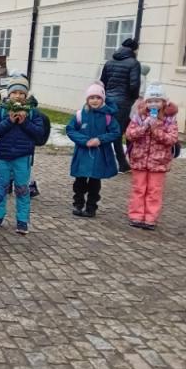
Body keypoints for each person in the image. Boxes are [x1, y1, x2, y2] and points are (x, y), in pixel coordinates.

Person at [0, 74, 45, 234]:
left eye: (21, 93)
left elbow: (39, 133)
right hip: (3, 156)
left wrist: (25, 122)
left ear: (26, 95)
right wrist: (9, 121)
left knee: (22, 189)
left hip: (22, 157)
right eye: (14, 92)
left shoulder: (33, 112)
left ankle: (22, 220)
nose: (17, 96)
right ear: (9, 93)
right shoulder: (1, 111)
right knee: (0, 188)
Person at [125, 82, 180, 230]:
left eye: (157, 101)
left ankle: (150, 218)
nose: (153, 104)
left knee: (154, 191)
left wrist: (156, 130)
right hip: (140, 160)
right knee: (139, 189)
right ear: (146, 102)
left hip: (159, 162)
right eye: (150, 101)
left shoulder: (169, 119)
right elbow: (130, 134)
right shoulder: (139, 116)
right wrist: (144, 127)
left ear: (164, 102)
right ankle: (136, 216)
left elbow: (172, 139)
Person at [64, 81, 120, 218]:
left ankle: (91, 207)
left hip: (99, 155)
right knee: (80, 181)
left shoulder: (108, 117)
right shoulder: (80, 115)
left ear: (103, 99)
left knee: (95, 182)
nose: (95, 101)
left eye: (98, 98)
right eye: (92, 97)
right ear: (87, 99)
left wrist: (100, 139)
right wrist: (84, 141)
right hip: (83, 153)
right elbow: (70, 129)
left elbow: (115, 132)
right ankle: (78, 204)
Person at [99, 37, 141, 172]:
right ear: (134, 49)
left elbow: (102, 82)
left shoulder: (109, 62)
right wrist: (132, 98)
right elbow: (134, 85)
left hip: (109, 100)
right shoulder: (134, 63)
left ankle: (133, 159)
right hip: (123, 102)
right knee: (117, 132)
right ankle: (122, 163)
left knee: (130, 129)